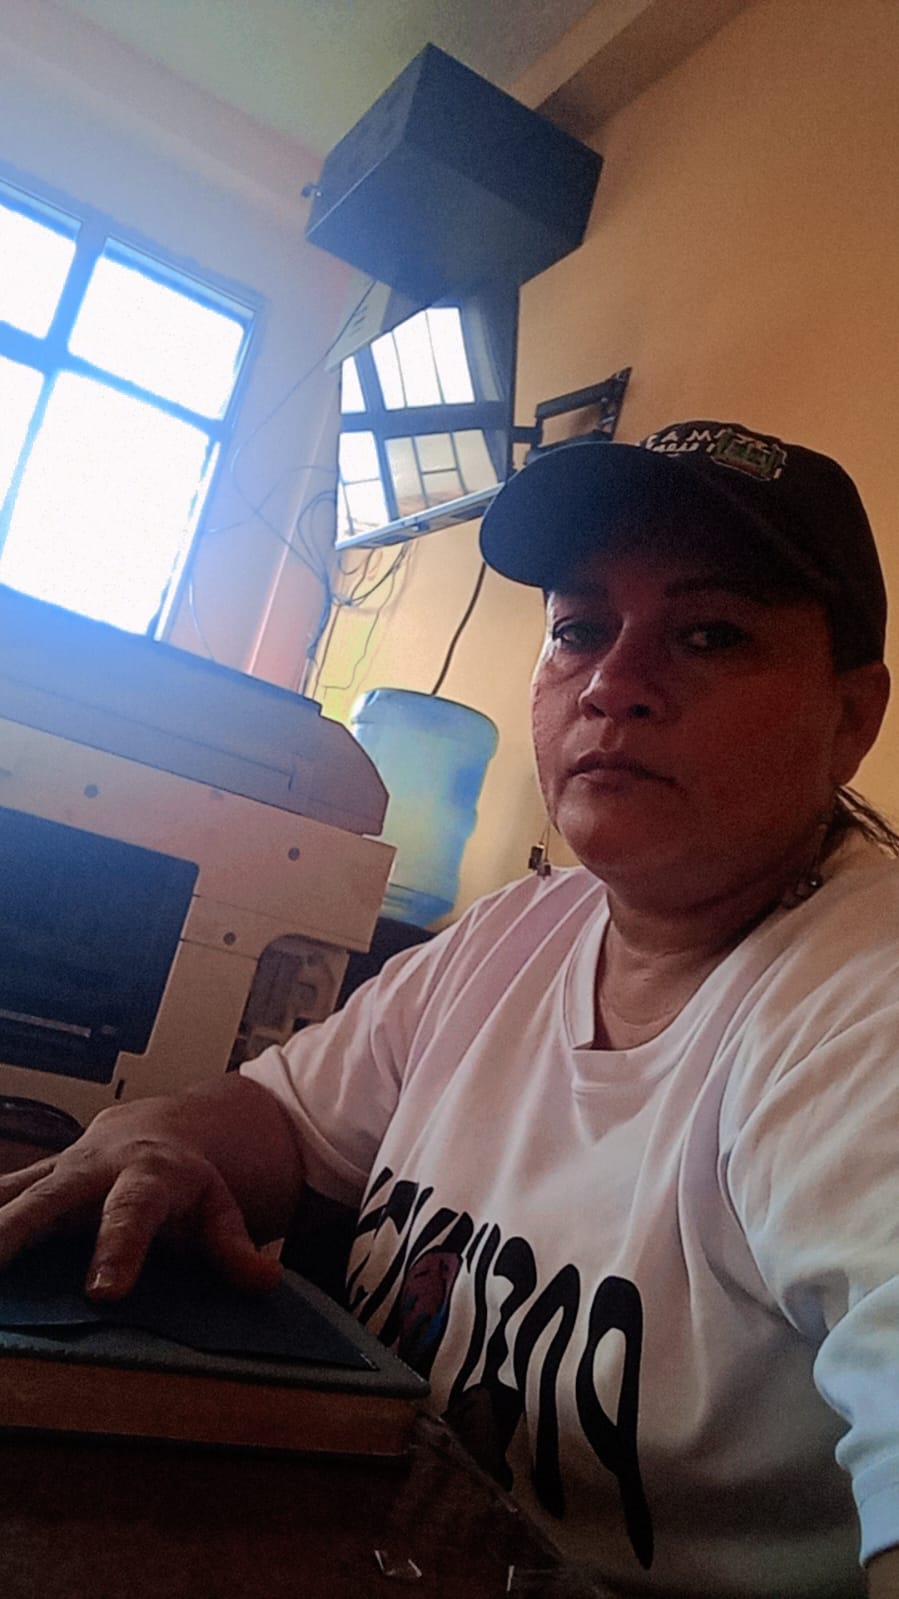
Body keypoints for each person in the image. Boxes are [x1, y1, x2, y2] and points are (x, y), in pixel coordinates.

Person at [0, 418, 897, 1599]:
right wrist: (153, 1139)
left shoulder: (861, 1003)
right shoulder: (518, 930)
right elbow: (283, 1121)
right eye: (577, 629)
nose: (611, 685)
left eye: (710, 634)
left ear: (851, 717)